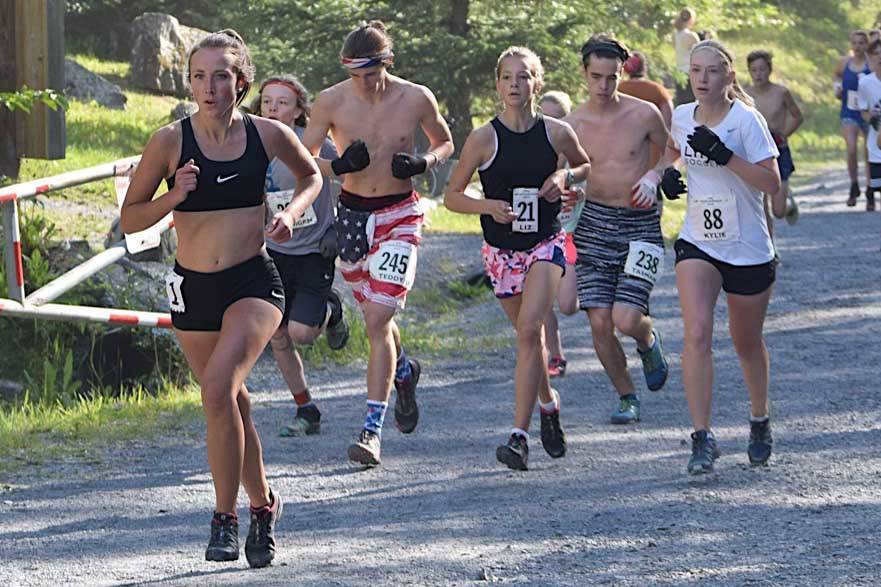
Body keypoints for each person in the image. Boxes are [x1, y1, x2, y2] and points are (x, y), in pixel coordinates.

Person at [121, 30, 322, 566]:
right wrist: (174, 195)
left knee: (216, 391)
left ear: (241, 82)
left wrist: (290, 212)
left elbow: (312, 176)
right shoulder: (169, 141)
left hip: (252, 282)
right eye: (199, 77)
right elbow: (130, 218)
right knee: (231, 402)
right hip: (193, 288)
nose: (209, 88)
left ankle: (224, 519)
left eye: (221, 76)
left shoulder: (267, 134)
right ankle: (264, 506)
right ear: (190, 83)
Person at [302, 21, 454, 467]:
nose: (363, 82)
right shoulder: (331, 101)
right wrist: (339, 164)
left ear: (387, 62)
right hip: (350, 215)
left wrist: (424, 160)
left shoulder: (416, 97)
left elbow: (445, 142)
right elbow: (305, 160)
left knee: (378, 319)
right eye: (355, 73)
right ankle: (403, 372)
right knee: (376, 320)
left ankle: (371, 430)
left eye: (370, 72)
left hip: (400, 213)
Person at [445, 47, 590, 471]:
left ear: (536, 83)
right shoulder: (483, 138)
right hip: (501, 251)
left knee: (530, 332)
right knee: (531, 341)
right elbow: (453, 196)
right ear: (497, 85)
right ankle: (548, 403)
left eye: (523, 77)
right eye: (507, 77)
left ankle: (518, 437)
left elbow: (584, 165)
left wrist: (565, 175)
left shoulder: (556, 132)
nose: (515, 85)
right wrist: (488, 207)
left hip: (546, 243)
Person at [661, 39, 782, 475]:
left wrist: (726, 157)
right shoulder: (681, 116)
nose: (702, 79)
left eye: (712, 72)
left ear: (729, 77)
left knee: (745, 341)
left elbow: (771, 184)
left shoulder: (746, 121)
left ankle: (759, 418)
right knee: (696, 331)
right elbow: (673, 152)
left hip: (747, 246)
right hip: (699, 240)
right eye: (696, 71)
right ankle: (702, 436)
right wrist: (666, 174)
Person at [566, 35, 671, 426]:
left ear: (621, 73)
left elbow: (672, 152)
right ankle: (627, 396)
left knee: (627, 319)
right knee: (598, 322)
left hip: (640, 224)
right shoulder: (572, 124)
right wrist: (563, 196)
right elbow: (562, 174)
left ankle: (647, 339)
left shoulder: (644, 114)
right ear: (585, 73)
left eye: (612, 77)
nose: (604, 86)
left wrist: (653, 175)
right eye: (597, 77)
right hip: (593, 224)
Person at [253, 75, 350, 437]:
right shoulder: (252, 143)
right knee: (276, 333)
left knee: (302, 333)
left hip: (314, 249)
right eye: (267, 102)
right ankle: (305, 407)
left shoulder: (320, 145)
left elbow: (350, 184)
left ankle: (332, 308)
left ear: (299, 111)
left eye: (282, 103)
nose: (273, 109)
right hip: (273, 250)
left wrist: (337, 229)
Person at [538, 90, 582, 378]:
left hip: (569, 236)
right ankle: (555, 354)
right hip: (538, 237)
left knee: (567, 305)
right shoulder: (530, 153)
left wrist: (578, 191)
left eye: (556, 117)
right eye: (544, 117)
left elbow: (594, 178)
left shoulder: (574, 155)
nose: (549, 123)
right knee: (540, 303)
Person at [745, 50, 805, 250]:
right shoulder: (745, 95)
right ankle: (770, 250)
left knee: (778, 210)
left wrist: (784, 134)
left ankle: (788, 205)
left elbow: (797, 116)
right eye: (754, 70)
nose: (758, 74)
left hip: (778, 150)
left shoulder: (781, 92)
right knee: (761, 206)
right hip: (754, 153)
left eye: (762, 69)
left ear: (769, 70)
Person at [618, 51, 675, 167]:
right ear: (644, 67)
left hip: (622, 154)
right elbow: (668, 124)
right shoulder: (658, 90)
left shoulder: (618, 90)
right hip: (653, 157)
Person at [835, 30, 872, 207]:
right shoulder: (844, 62)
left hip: (868, 112)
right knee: (851, 148)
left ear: (867, 45)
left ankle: (870, 189)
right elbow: (836, 76)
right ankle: (854, 184)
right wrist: (837, 88)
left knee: (868, 152)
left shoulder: (871, 64)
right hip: (849, 111)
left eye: (861, 43)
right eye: (855, 43)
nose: (857, 47)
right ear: (851, 45)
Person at [858, 38, 881, 208]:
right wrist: (870, 115)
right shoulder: (865, 83)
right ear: (870, 57)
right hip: (876, 144)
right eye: (877, 53)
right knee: (879, 186)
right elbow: (863, 112)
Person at [674, 8, 700, 105]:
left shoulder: (676, 34)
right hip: (690, 72)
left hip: (679, 71)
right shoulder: (692, 35)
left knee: (681, 103)